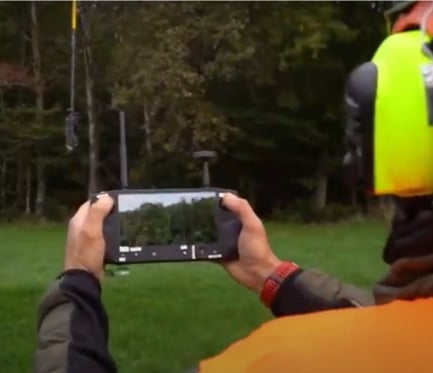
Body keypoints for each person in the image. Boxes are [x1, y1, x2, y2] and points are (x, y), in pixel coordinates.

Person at [33, 1, 433, 372]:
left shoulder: (280, 360)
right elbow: (385, 321)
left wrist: (77, 287)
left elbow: (374, 330)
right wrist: (270, 274)